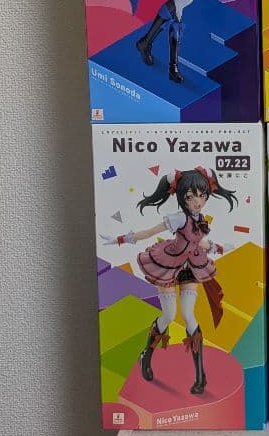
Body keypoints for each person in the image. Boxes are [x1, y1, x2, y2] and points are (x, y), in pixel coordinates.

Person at [102, 165, 237, 395]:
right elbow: (149, 232)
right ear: (181, 197)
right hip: (168, 264)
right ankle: (146, 355)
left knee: (189, 315)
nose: (198, 201)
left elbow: (199, 242)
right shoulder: (178, 218)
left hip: (191, 265)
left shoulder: (199, 218)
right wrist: (120, 239)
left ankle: (200, 376)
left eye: (202, 195)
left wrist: (219, 247)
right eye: (191, 197)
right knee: (169, 314)